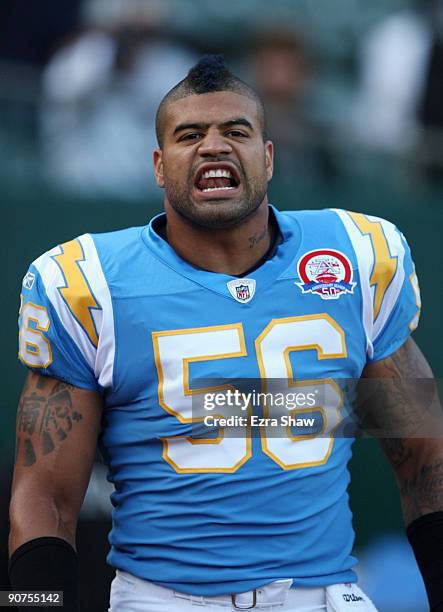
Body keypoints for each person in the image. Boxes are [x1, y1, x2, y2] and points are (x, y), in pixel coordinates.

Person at [9, 55, 443, 612]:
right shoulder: (86, 283)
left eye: (235, 131)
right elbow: (44, 496)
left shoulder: (355, 257)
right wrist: (28, 605)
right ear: (159, 166)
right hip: (165, 600)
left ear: (267, 157)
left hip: (326, 594)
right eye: (190, 134)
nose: (214, 146)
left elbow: (425, 458)